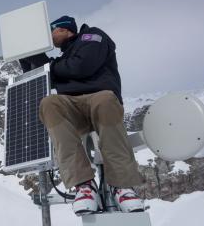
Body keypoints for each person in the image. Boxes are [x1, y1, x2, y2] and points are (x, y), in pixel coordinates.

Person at [19, 15, 145, 216]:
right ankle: (84, 186)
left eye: (52, 31)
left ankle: (123, 186)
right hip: (74, 107)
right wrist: (29, 55)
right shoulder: (63, 58)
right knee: (49, 103)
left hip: (98, 99)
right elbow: (43, 75)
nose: (50, 37)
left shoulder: (92, 36)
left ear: (64, 29)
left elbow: (81, 66)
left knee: (104, 100)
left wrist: (51, 66)